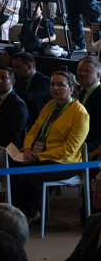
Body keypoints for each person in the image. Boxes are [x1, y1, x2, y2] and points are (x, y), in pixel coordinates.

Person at [11, 70, 90, 221]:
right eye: (52, 84)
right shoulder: (50, 105)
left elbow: (69, 149)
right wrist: (27, 148)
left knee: (27, 178)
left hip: (66, 162)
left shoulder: (80, 113)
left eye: (60, 85)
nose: (55, 88)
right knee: (13, 171)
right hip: (41, 155)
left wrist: (38, 156)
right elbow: (34, 130)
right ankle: (19, 213)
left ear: (71, 89)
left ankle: (32, 214)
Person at [0, 65, 30, 148]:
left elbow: (11, 135)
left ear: (12, 82)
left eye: (3, 78)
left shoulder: (18, 105)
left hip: (4, 149)